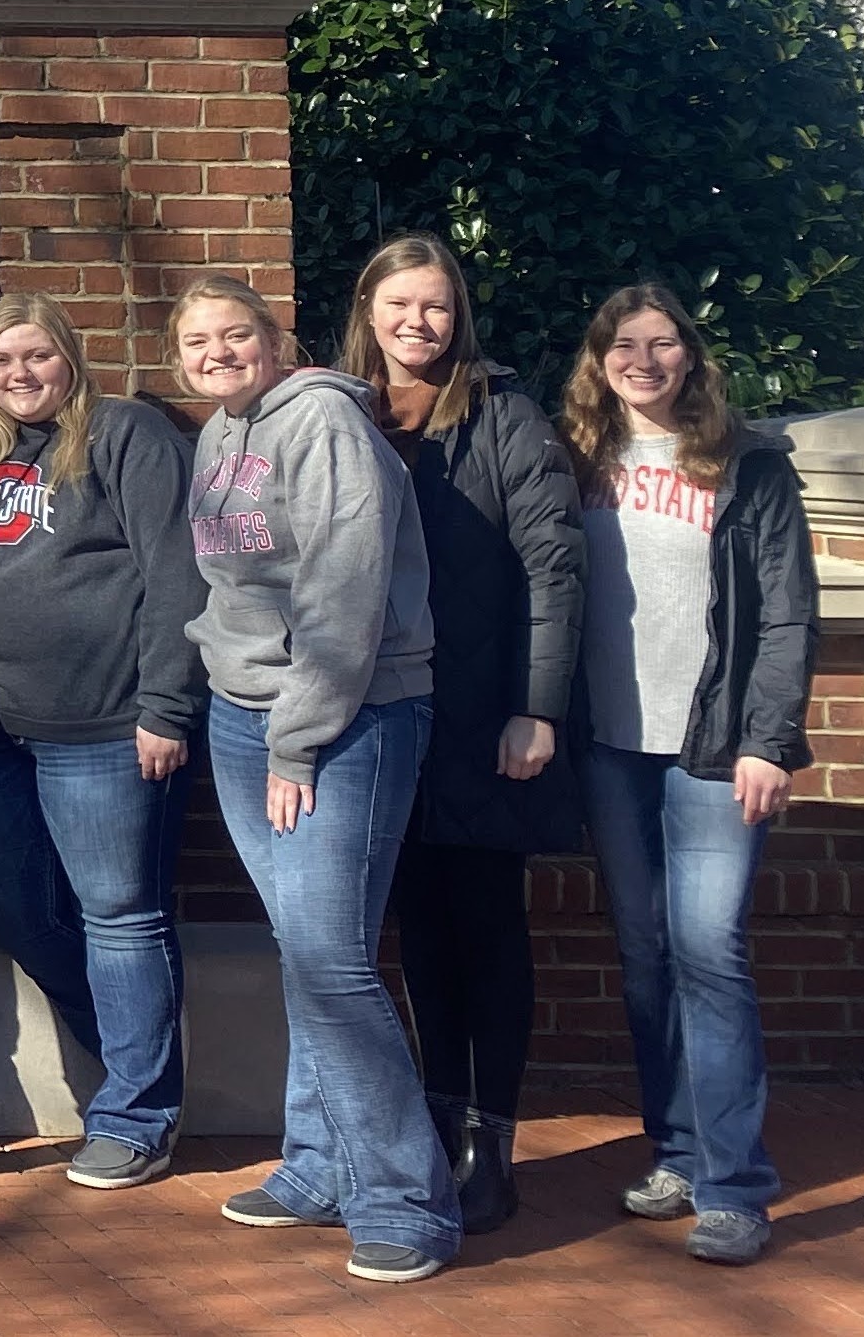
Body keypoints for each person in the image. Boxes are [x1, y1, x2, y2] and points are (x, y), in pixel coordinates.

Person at [175, 274, 456, 1283]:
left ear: (273, 337)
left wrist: (298, 737)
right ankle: (319, 1163)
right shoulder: (220, 434)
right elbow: (225, 583)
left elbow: (346, 591)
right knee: (304, 949)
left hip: (349, 720)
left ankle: (408, 1200)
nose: (216, 351)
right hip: (243, 716)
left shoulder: (325, 420)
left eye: (234, 333)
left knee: (333, 959)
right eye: (198, 339)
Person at [562, 284, 810, 1269]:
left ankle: (735, 1182)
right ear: (600, 358)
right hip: (610, 747)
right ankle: (675, 1148)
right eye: (627, 344)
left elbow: (787, 611)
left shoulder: (747, 463)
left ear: (690, 356)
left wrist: (767, 736)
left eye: (664, 342)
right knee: (646, 953)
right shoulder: (576, 459)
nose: (645, 358)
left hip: (714, 748)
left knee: (710, 949)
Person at [0, 291, 200, 1189]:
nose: (21, 374)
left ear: (70, 359)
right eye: (3, 360)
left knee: (120, 916)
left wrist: (165, 706)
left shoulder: (124, 436)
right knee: (5, 898)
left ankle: (139, 1112)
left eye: (37, 356)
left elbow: (177, 574)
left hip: (105, 730)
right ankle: (136, 1053)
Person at [345, 233, 583, 1235]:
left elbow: (555, 569)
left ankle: (493, 1143)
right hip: (384, 721)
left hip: (486, 718)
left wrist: (538, 704)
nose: (418, 321)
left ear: (459, 315)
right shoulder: (342, 415)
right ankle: (439, 1123)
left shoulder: (504, 419)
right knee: (420, 936)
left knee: (487, 930)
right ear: (368, 310)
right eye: (400, 302)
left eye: (436, 305)